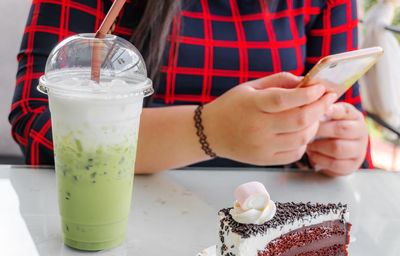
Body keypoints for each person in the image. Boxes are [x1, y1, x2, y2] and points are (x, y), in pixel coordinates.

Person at [9, 0, 372, 176]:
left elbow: (344, 107)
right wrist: (210, 131)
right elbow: (37, 123)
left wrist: (344, 144)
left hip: (271, 222)